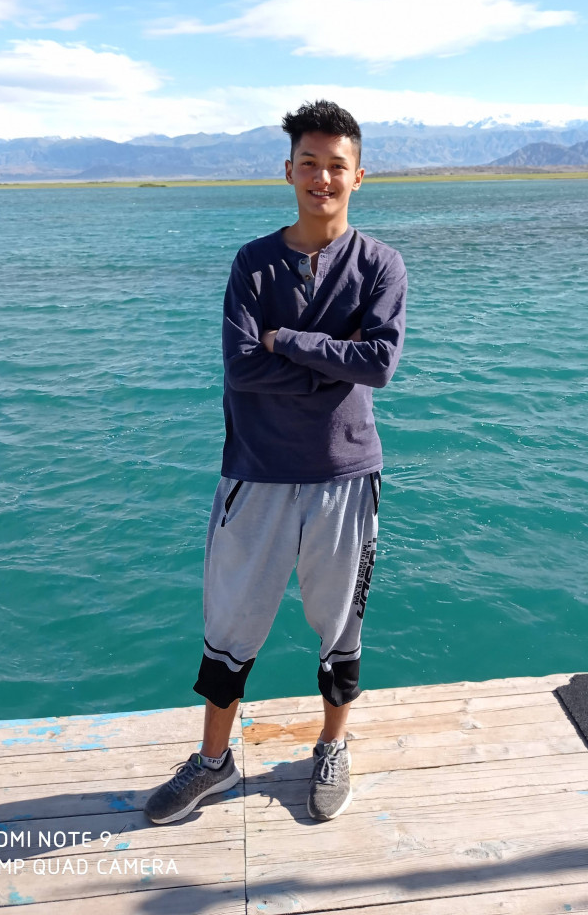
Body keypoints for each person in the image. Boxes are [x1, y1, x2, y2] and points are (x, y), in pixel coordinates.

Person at [144, 98, 408, 825]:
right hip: (254, 474)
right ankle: (214, 762)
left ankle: (332, 745)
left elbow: (378, 365)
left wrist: (287, 341)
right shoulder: (253, 263)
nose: (322, 178)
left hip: (344, 475)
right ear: (288, 170)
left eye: (337, 166)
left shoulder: (381, 265)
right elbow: (240, 366)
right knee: (229, 628)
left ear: (359, 176)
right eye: (309, 164)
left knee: (340, 628)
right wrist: (332, 362)